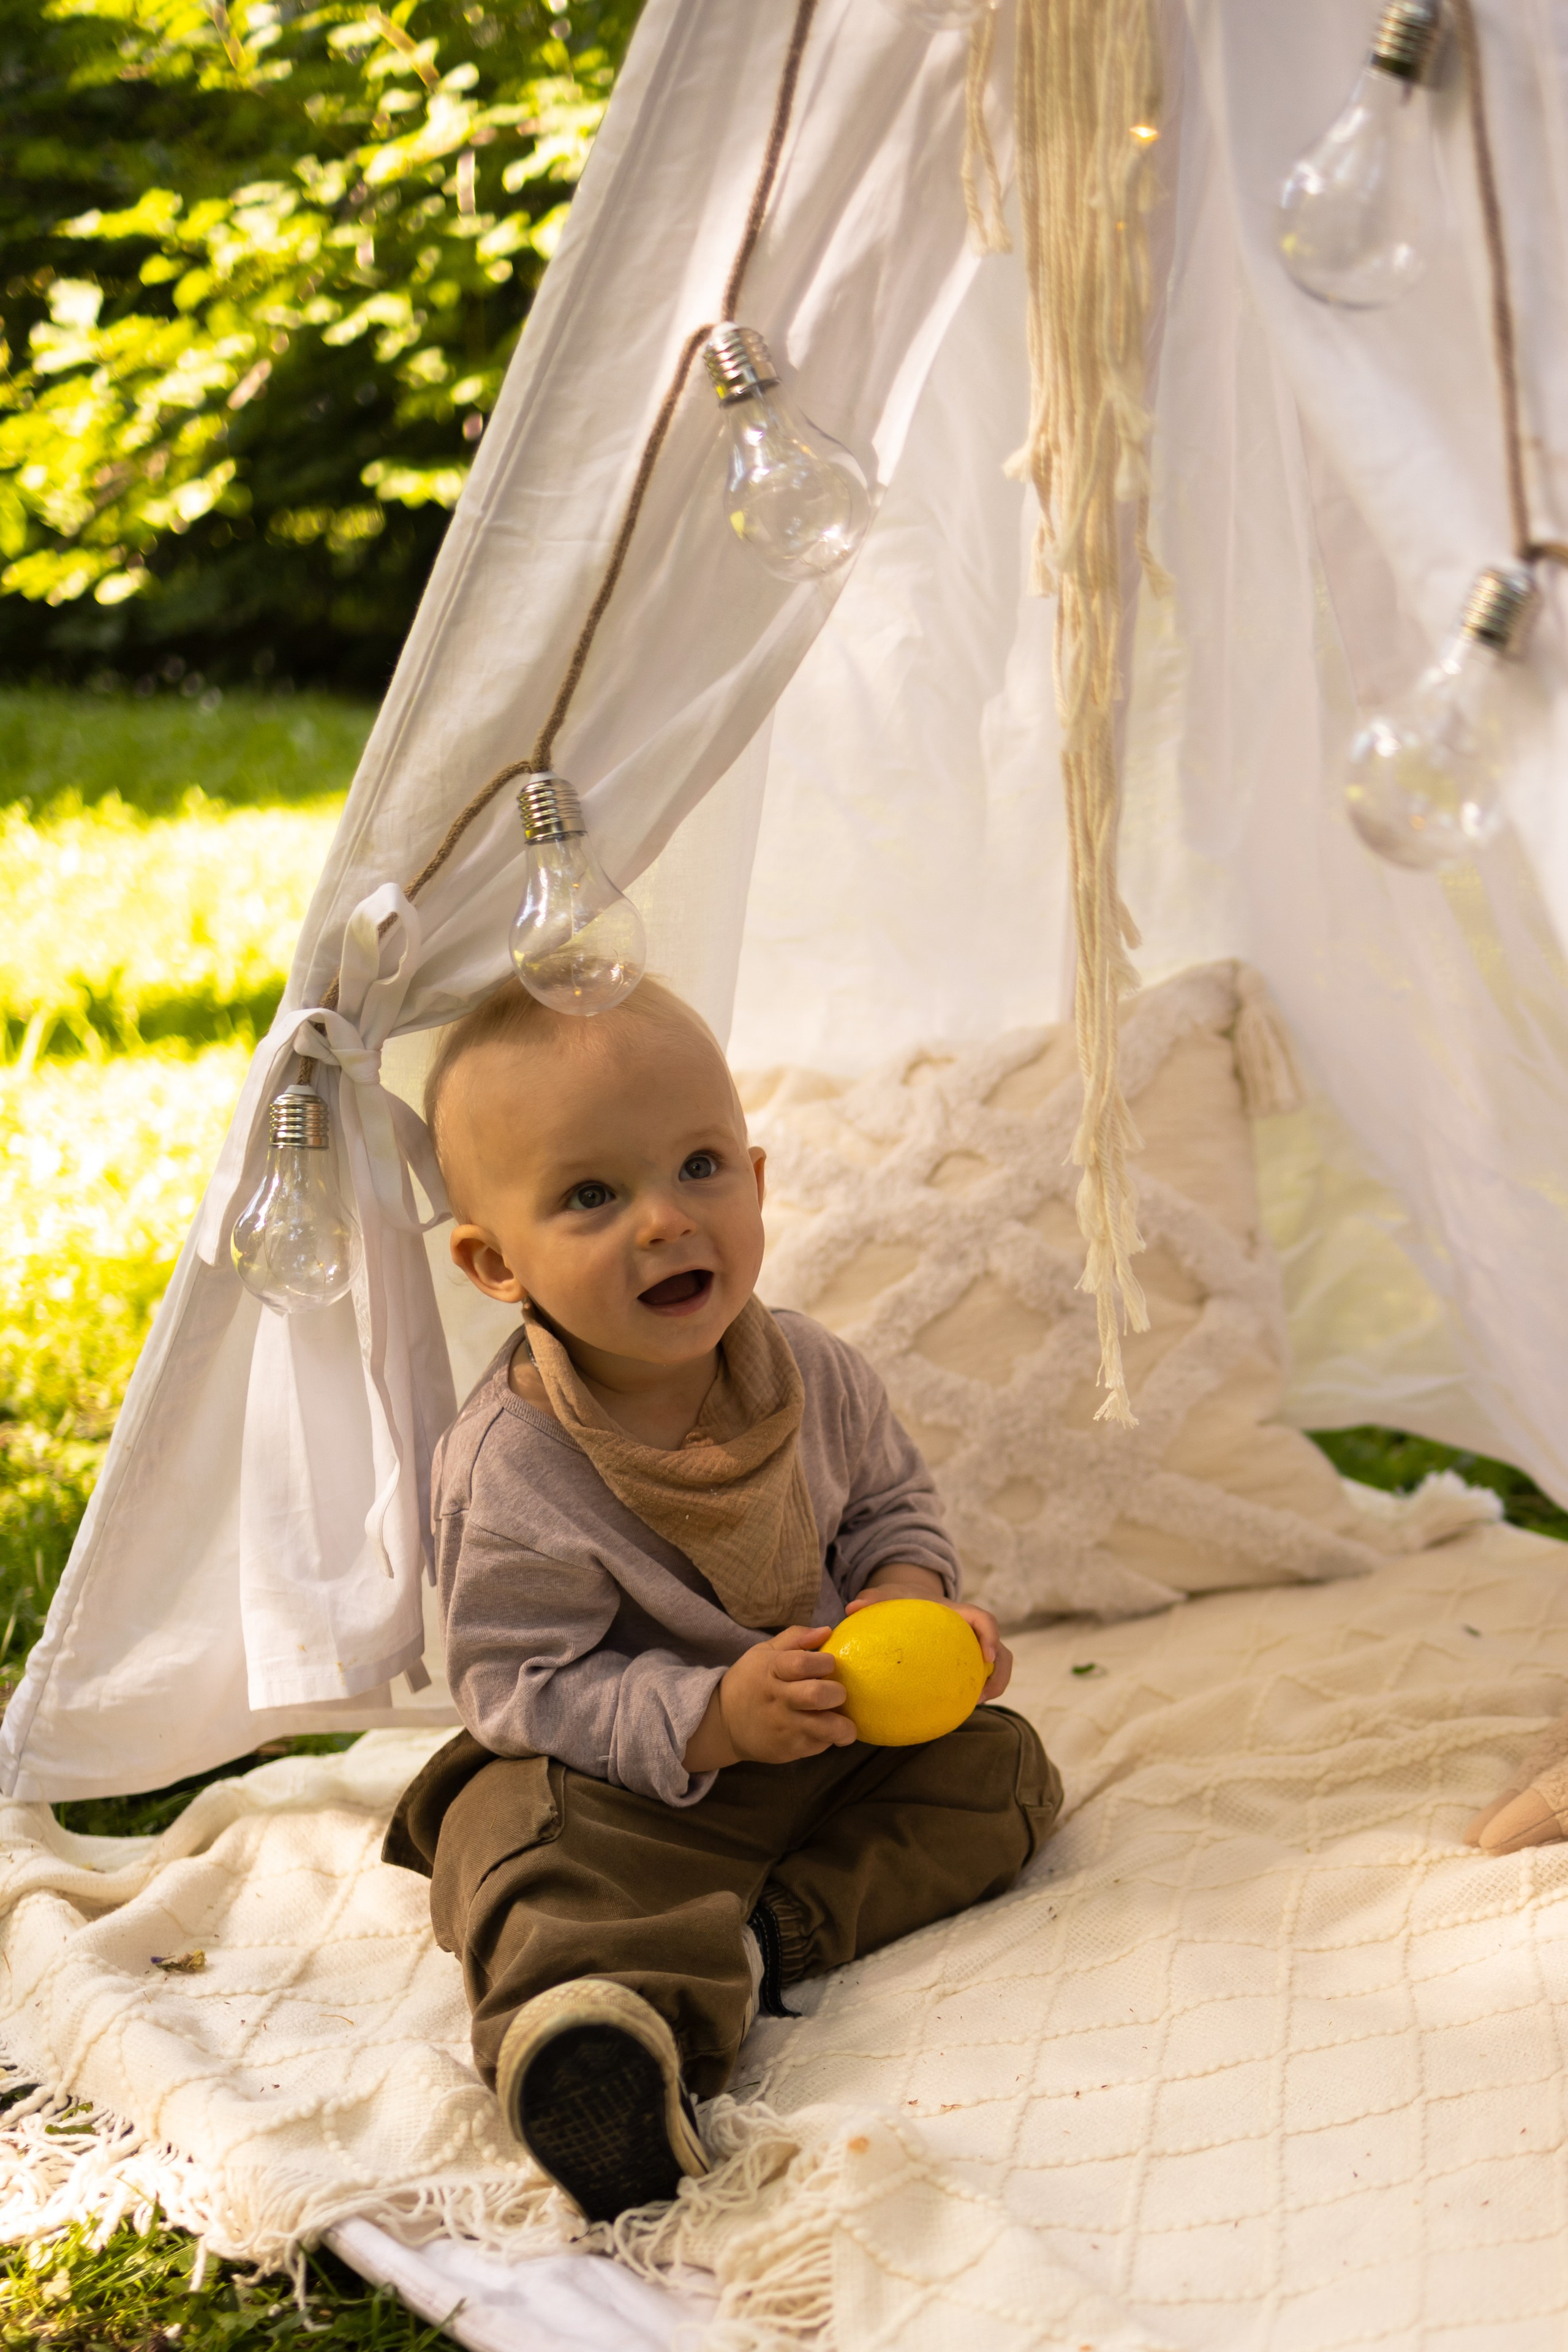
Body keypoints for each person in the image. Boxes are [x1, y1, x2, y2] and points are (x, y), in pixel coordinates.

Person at [384, 975, 1062, 2222]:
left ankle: (752, 1949)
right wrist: (709, 1717)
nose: (663, 1220)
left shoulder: (809, 1370)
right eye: (591, 1195)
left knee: (1003, 1774)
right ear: (492, 1262)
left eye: (698, 1166)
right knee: (513, 1855)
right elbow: (513, 1684)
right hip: (620, 1782)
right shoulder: (512, 1466)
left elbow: (886, 1511)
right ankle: (595, 2039)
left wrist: (907, 1608)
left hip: (820, 1747)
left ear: (753, 1178)